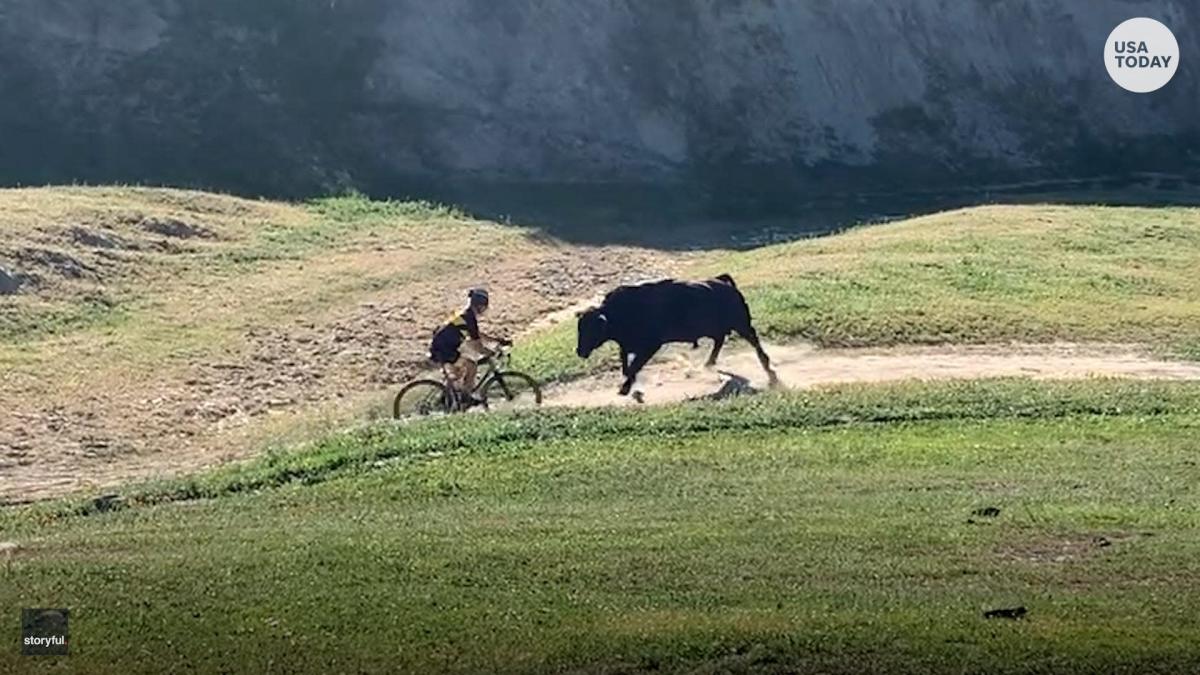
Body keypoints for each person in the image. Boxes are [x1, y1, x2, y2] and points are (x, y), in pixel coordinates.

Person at [429, 288, 510, 404]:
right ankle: (465, 397)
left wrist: (497, 341)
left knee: (459, 372)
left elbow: (477, 334)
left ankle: (447, 396)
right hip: (444, 348)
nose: (485, 309)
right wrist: (490, 353)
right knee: (471, 365)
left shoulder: (466, 315)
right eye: (484, 306)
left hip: (443, 345)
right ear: (479, 305)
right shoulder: (469, 318)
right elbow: (477, 345)